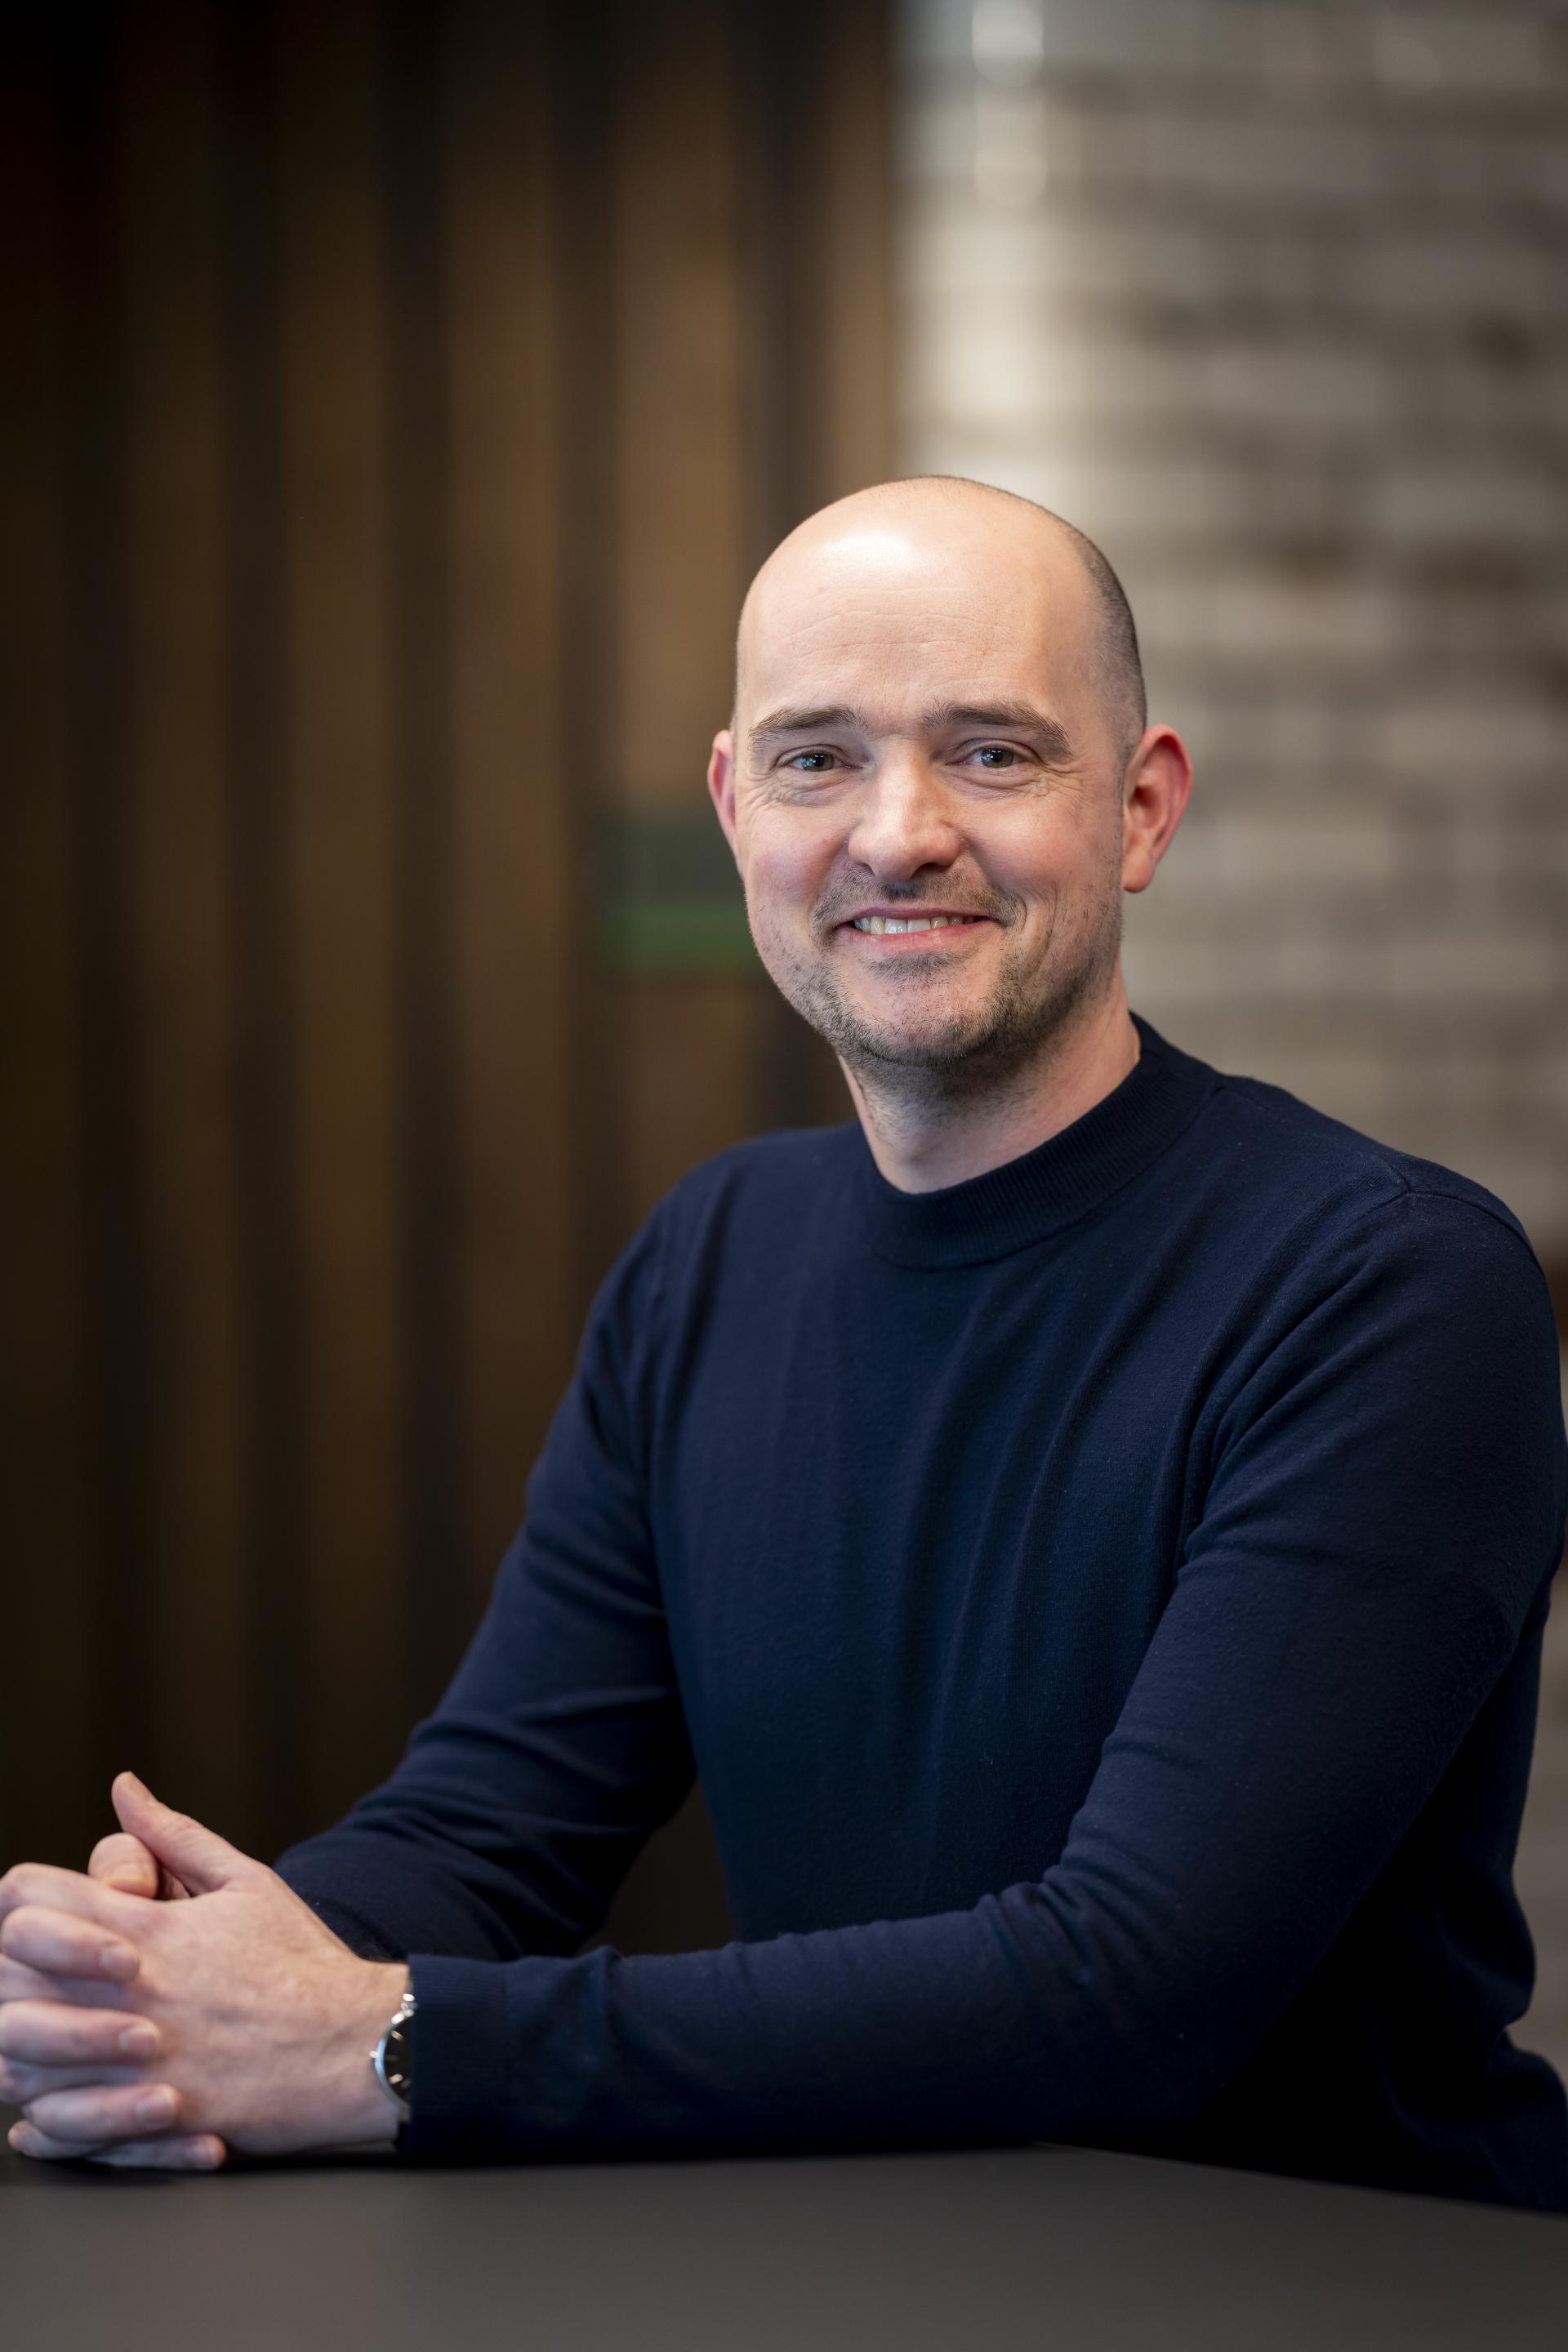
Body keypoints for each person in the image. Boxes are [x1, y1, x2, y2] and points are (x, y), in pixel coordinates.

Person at [2, 478, 1565, 2210]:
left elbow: (1130, 1990)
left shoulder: (1390, 1289)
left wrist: (382, 2042)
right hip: (864, 2266)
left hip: (1344, 2297)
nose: (897, 832)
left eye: (991, 752)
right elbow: (488, 1836)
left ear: (1140, 809)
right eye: (820, 759)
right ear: (739, 809)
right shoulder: (711, 1262)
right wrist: (187, 1978)